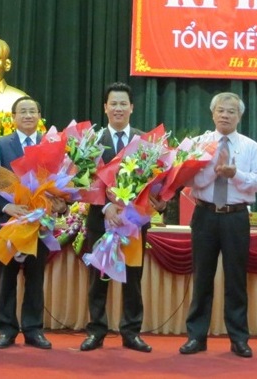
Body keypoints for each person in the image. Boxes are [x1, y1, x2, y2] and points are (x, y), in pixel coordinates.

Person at [178, 92, 257, 358]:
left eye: (231, 111)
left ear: (239, 116)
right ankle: (196, 337)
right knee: (202, 277)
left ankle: (239, 339)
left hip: (235, 217)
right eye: (221, 110)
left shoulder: (251, 147)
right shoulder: (199, 144)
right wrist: (212, 170)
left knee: (236, 280)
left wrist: (235, 174)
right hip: (204, 215)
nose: (225, 115)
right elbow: (186, 179)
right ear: (212, 114)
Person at [80, 82, 164, 353]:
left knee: (133, 279)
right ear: (105, 108)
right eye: (113, 104)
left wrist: (158, 200)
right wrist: (107, 206)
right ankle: (96, 331)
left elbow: (156, 183)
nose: (118, 108)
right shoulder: (92, 141)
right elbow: (84, 180)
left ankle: (131, 332)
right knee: (98, 279)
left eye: (123, 104)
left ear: (132, 107)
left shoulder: (146, 142)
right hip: (100, 220)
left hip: (134, 223)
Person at [0, 96, 67, 350]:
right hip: (9, 222)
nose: (28, 115)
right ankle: (6, 330)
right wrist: (5, 207)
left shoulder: (50, 145)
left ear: (40, 116)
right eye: (23, 111)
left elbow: (62, 182)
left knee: (35, 279)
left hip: (40, 224)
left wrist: (61, 204)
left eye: (33, 111)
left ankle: (33, 330)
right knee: (6, 280)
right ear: (13, 117)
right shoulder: (0, 144)